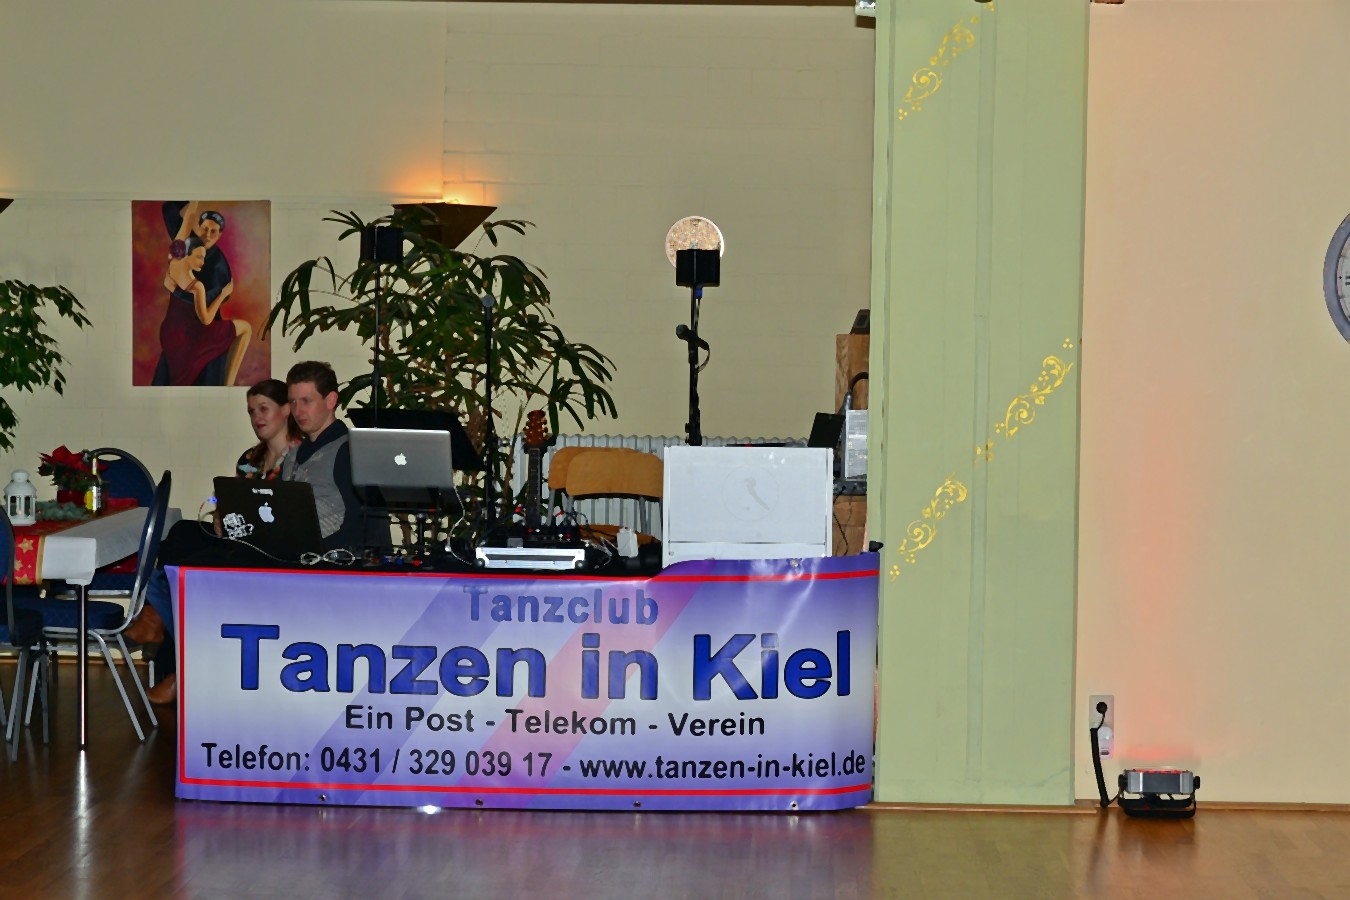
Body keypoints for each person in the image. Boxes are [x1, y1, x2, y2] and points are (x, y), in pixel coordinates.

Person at [137, 378, 303, 705]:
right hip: (240, 537)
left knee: (189, 567)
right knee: (182, 532)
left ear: (286, 410)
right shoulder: (249, 459)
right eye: (251, 411)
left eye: (263, 409)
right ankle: (154, 616)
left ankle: (179, 666)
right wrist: (220, 513)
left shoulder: (299, 456)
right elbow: (232, 501)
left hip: (272, 547)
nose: (256, 417)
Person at [157, 201, 252, 385]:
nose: (207, 235)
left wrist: (176, 290)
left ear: (220, 234)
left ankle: (227, 385)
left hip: (172, 327)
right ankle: (229, 385)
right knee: (245, 329)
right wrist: (222, 294)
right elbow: (206, 316)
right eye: (204, 229)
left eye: (213, 231)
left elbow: (187, 221)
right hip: (196, 328)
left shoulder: (177, 257)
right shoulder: (197, 284)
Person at [281, 360, 366, 553]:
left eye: (306, 401)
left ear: (330, 401)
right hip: (297, 559)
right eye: (293, 402)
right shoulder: (293, 455)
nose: (298, 411)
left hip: (332, 562)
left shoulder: (349, 451)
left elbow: (359, 525)